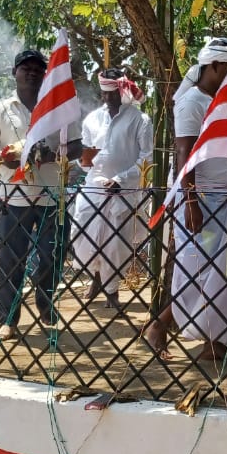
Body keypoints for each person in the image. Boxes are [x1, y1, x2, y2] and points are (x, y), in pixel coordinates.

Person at [143, 38, 227, 362]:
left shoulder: (221, 100)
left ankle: (214, 343)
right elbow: (184, 154)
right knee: (199, 273)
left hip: (222, 196)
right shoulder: (192, 101)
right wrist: (191, 202)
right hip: (201, 198)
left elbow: (215, 151)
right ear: (216, 66)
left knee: (224, 271)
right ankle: (159, 326)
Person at [0, 49, 83, 340]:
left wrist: (55, 153)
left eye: (38, 68)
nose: (32, 72)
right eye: (26, 68)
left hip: (52, 196)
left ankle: (46, 307)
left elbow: (76, 147)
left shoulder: (58, 108)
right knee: (11, 261)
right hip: (15, 195)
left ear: (46, 74)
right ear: (15, 72)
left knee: (52, 257)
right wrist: (0, 158)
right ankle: (7, 320)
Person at [73, 68, 153, 315]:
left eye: (113, 94)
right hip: (94, 186)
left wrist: (121, 178)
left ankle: (112, 290)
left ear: (123, 91)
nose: (108, 99)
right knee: (82, 233)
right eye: (105, 95)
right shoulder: (92, 119)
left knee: (116, 241)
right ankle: (97, 277)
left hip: (124, 190)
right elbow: (83, 155)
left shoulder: (140, 120)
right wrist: (82, 161)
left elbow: (146, 157)